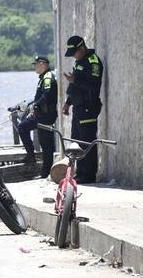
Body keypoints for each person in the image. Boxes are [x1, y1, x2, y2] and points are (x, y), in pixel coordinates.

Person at [62, 35, 103, 183]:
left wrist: (75, 80)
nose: (73, 55)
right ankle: (80, 172)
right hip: (78, 107)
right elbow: (74, 86)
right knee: (77, 142)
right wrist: (68, 103)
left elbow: (93, 86)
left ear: (82, 48)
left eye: (75, 52)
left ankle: (89, 175)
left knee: (87, 141)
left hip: (89, 106)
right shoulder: (79, 62)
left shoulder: (93, 62)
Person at [18, 56, 58, 178]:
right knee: (22, 127)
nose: (34, 67)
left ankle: (45, 173)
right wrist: (34, 106)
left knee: (46, 144)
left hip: (46, 116)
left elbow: (47, 95)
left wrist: (35, 105)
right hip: (40, 115)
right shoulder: (43, 78)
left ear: (42, 64)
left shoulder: (48, 77)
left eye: (35, 64)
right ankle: (31, 155)